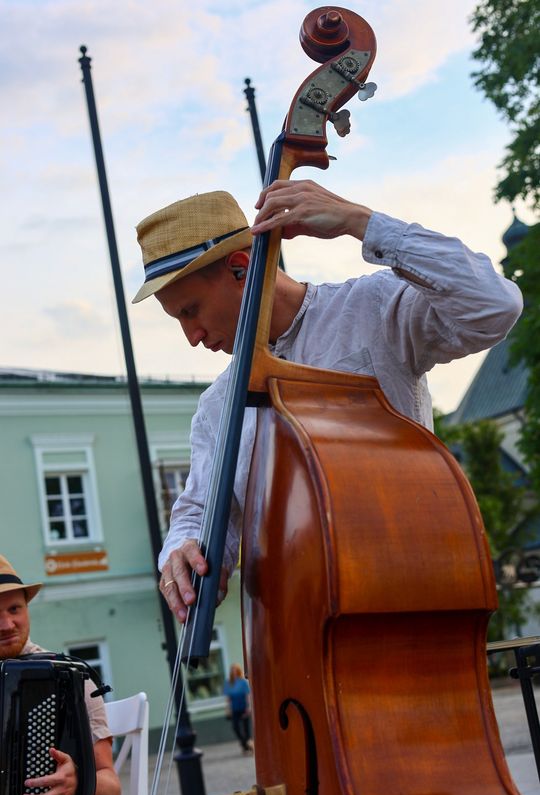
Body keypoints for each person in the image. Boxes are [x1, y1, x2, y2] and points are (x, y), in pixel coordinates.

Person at [132, 178, 523, 623]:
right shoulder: (217, 407)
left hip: (409, 599)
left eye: (191, 311)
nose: (193, 338)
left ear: (242, 268)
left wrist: (361, 222)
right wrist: (182, 548)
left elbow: (495, 306)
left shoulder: (372, 310)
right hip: (293, 632)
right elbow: (200, 510)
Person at [0, 555, 121, 795]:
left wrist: (80, 782)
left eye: (14, 609)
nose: (7, 625)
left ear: (27, 609)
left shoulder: (70, 678)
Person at [223, 664, 253, 754]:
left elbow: (247, 695)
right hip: (234, 708)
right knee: (235, 727)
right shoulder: (228, 683)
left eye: (235, 670)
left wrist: (248, 707)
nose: (234, 672)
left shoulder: (243, 682)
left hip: (243, 707)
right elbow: (228, 698)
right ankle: (245, 743)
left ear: (238, 671)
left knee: (246, 728)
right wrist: (228, 708)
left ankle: (247, 747)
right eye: (232, 671)